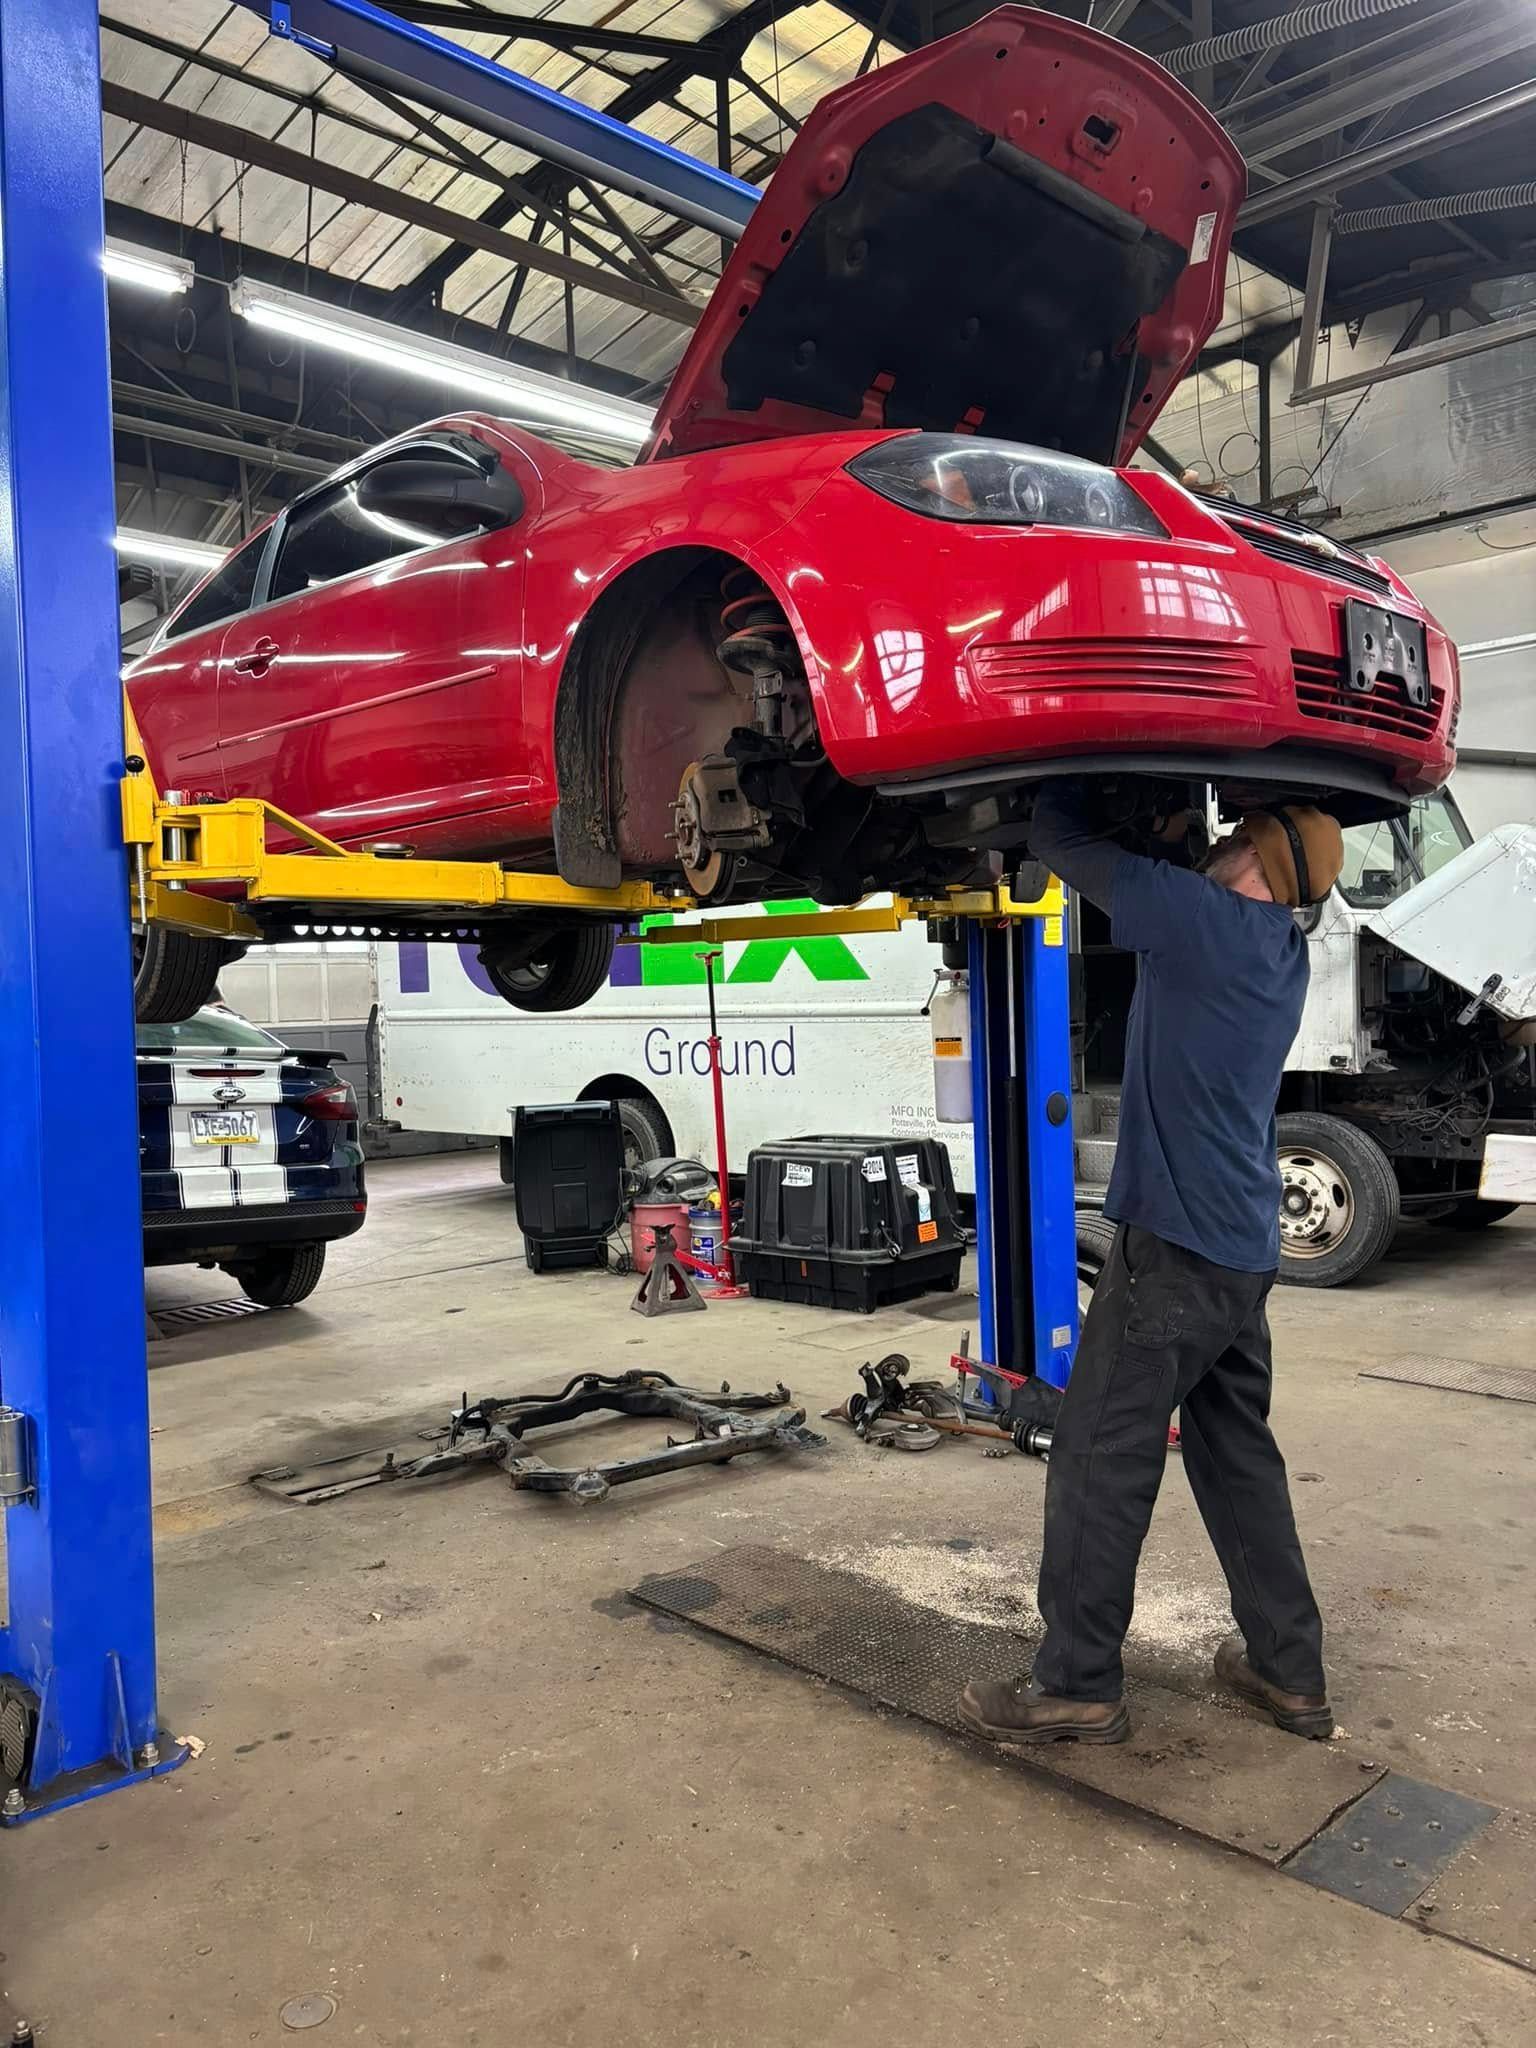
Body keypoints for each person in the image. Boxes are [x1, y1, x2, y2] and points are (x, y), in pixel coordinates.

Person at [959, 778, 1346, 1748]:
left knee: (1096, 1455)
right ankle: (1289, 1671)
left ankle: (1078, 1681)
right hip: (1241, 1254)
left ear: (1254, 863)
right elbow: (1169, 882)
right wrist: (1170, 832)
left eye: (1233, 834)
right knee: (1237, 1457)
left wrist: (1091, 782)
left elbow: (1058, 833)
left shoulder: (1200, 917)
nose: (1215, 840)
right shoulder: (1277, 947)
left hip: (1173, 1252)